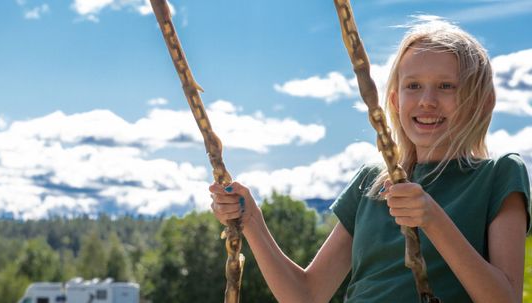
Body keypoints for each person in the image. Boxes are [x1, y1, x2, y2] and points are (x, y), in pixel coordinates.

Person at [209, 18, 531, 303]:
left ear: (482, 102)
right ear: (395, 99)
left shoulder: (499, 175)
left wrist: (432, 218)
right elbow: (306, 294)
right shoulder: (372, 181)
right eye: (413, 86)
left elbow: (504, 298)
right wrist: (252, 221)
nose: (427, 101)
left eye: (446, 86)